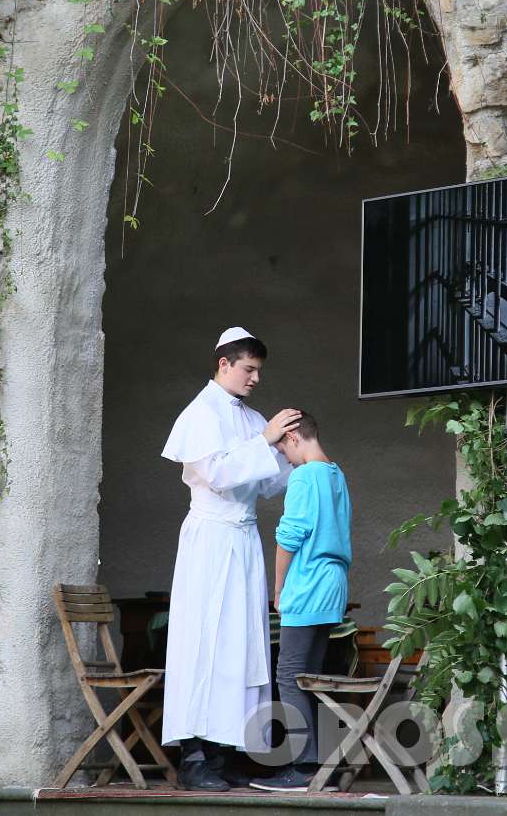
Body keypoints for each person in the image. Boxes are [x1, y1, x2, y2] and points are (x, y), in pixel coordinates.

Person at [160, 327, 300, 791]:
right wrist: (265, 441)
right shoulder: (200, 413)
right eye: (249, 369)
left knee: (240, 644)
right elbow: (218, 474)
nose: (255, 378)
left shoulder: (252, 416)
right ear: (224, 364)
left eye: (259, 371)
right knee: (205, 643)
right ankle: (194, 756)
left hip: (242, 541)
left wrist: (298, 458)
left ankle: (224, 750)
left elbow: (264, 484)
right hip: (211, 539)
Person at [250, 411, 352, 792]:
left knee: (288, 676)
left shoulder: (304, 476)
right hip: (334, 585)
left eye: (282, 448)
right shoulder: (335, 474)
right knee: (311, 677)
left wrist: (278, 589)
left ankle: (303, 766)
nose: (283, 458)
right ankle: (317, 764)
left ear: (294, 438)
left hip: (307, 584)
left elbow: (289, 537)